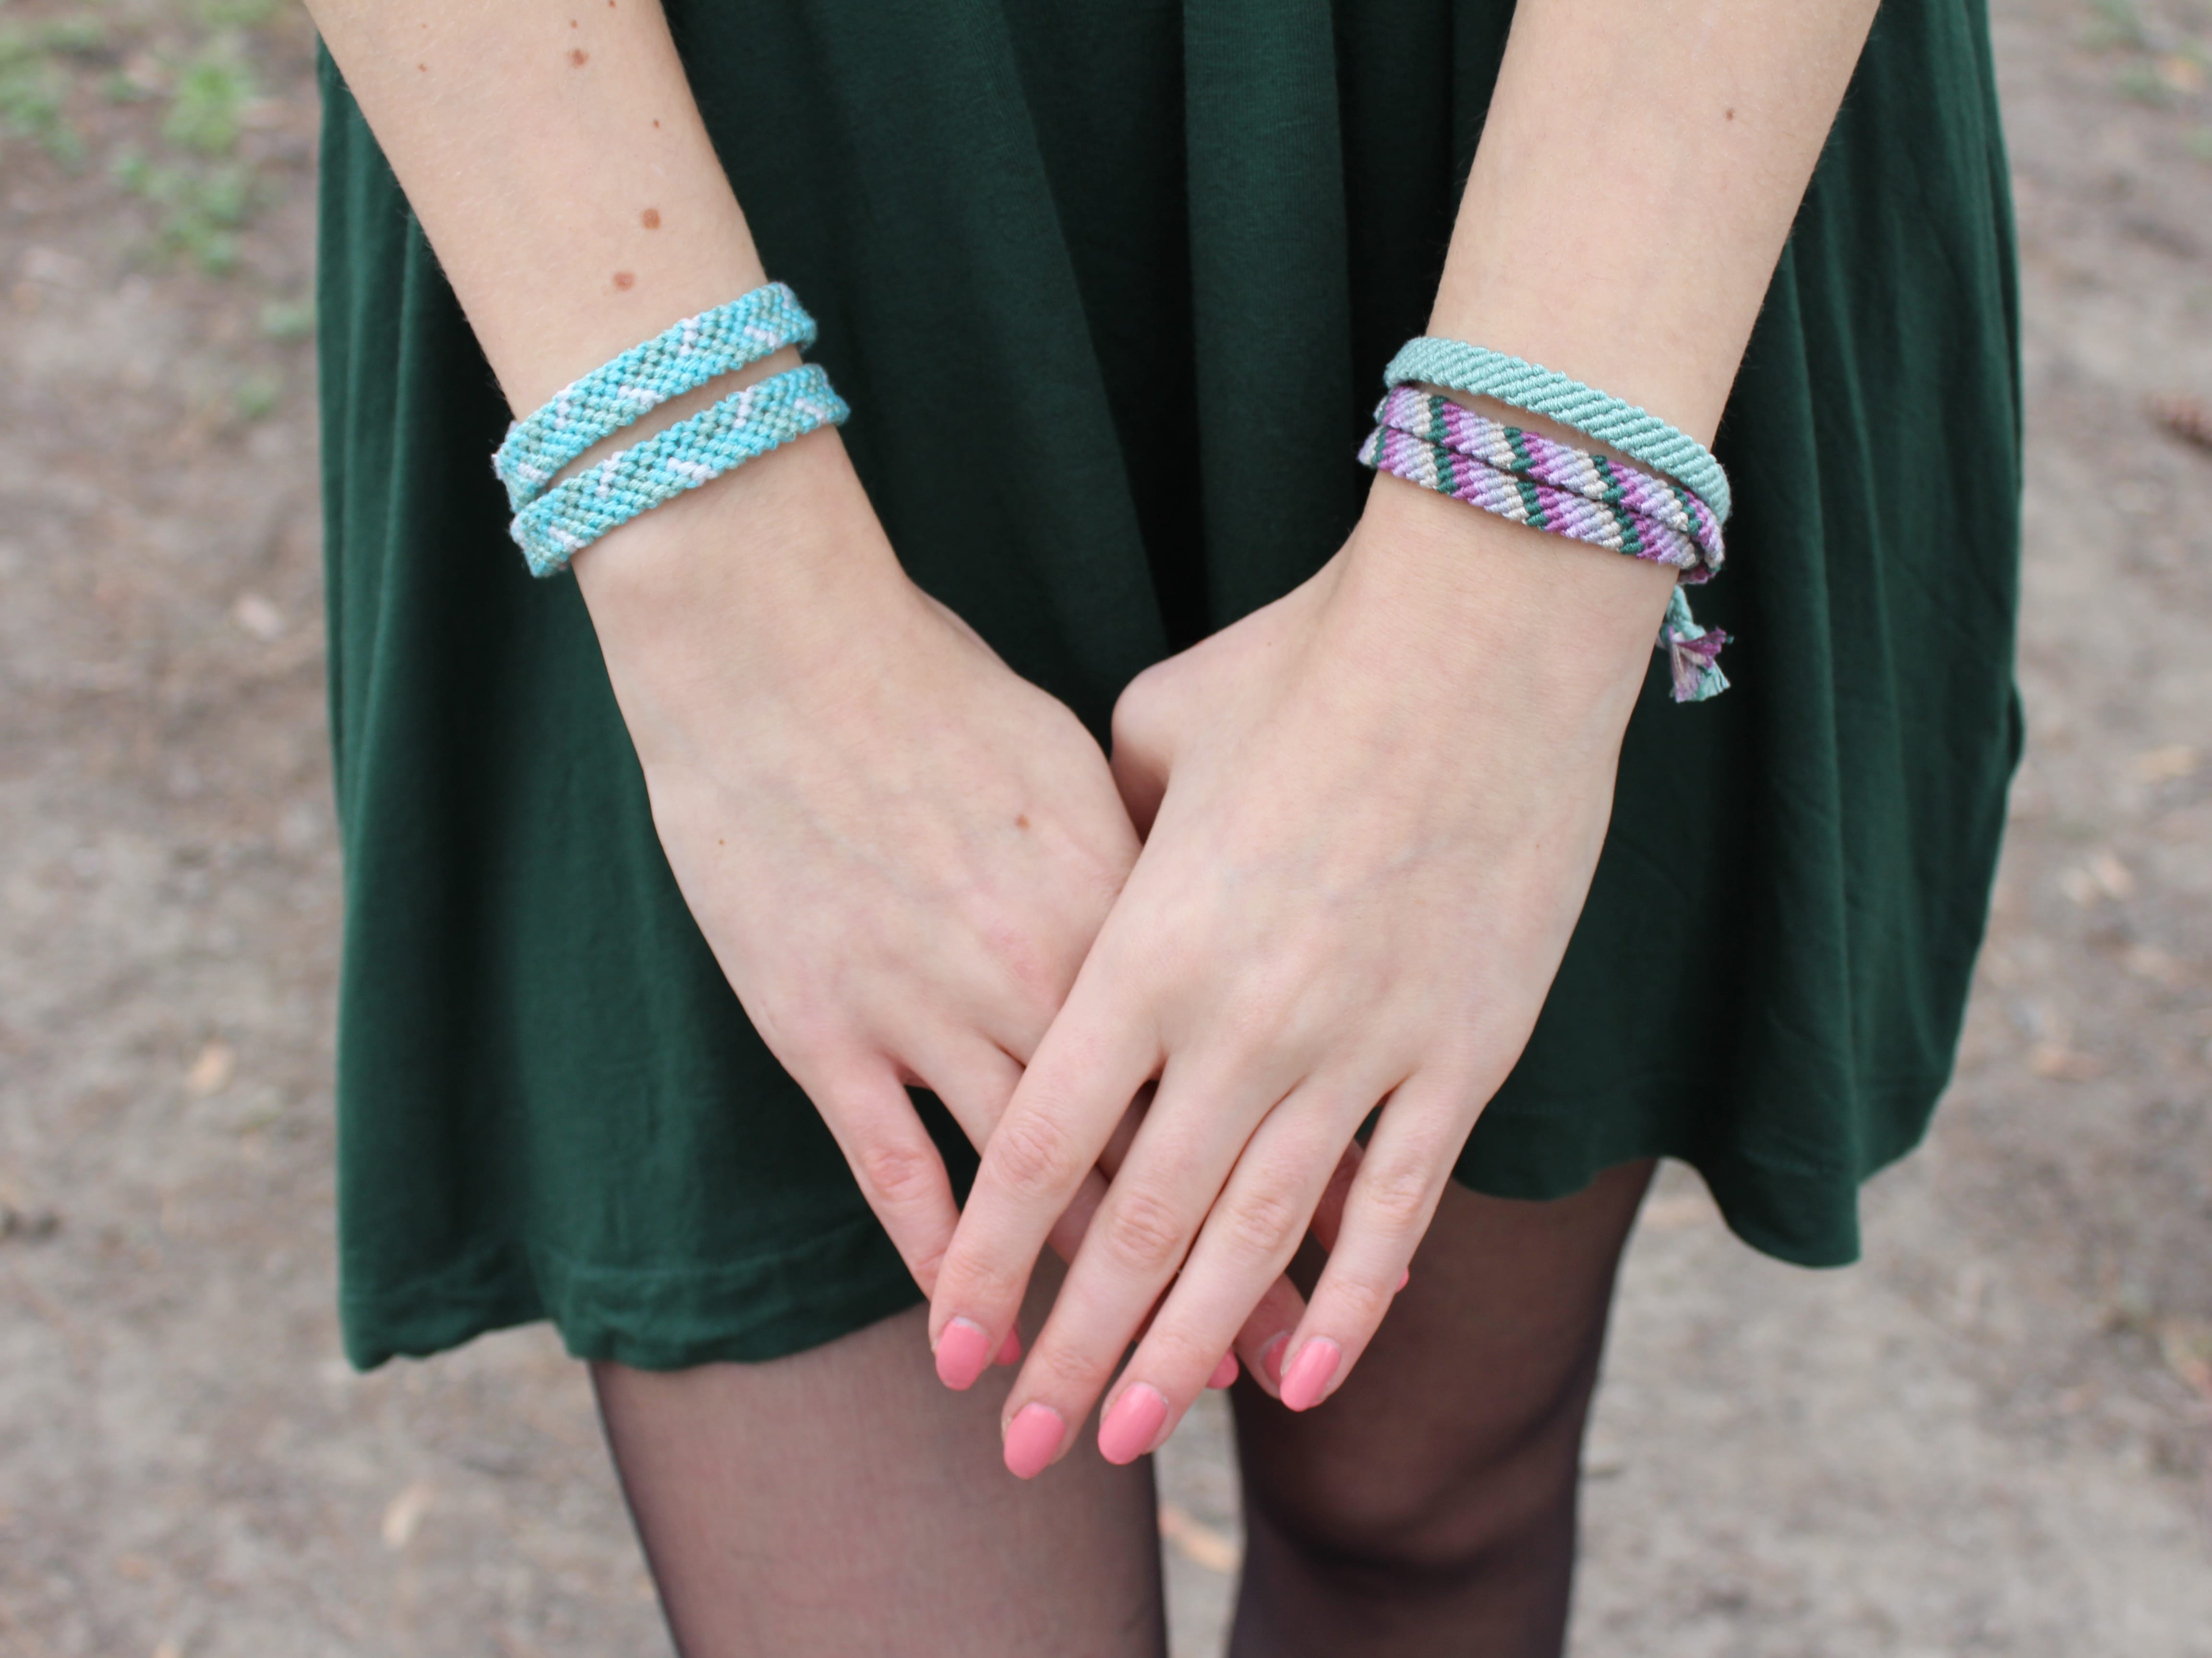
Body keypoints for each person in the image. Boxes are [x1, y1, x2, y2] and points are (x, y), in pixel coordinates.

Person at [305, 0, 2022, 1652]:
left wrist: (1511, 582)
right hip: (660, 158)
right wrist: (723, 572)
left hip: (1599, 150)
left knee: (1423, 1516)